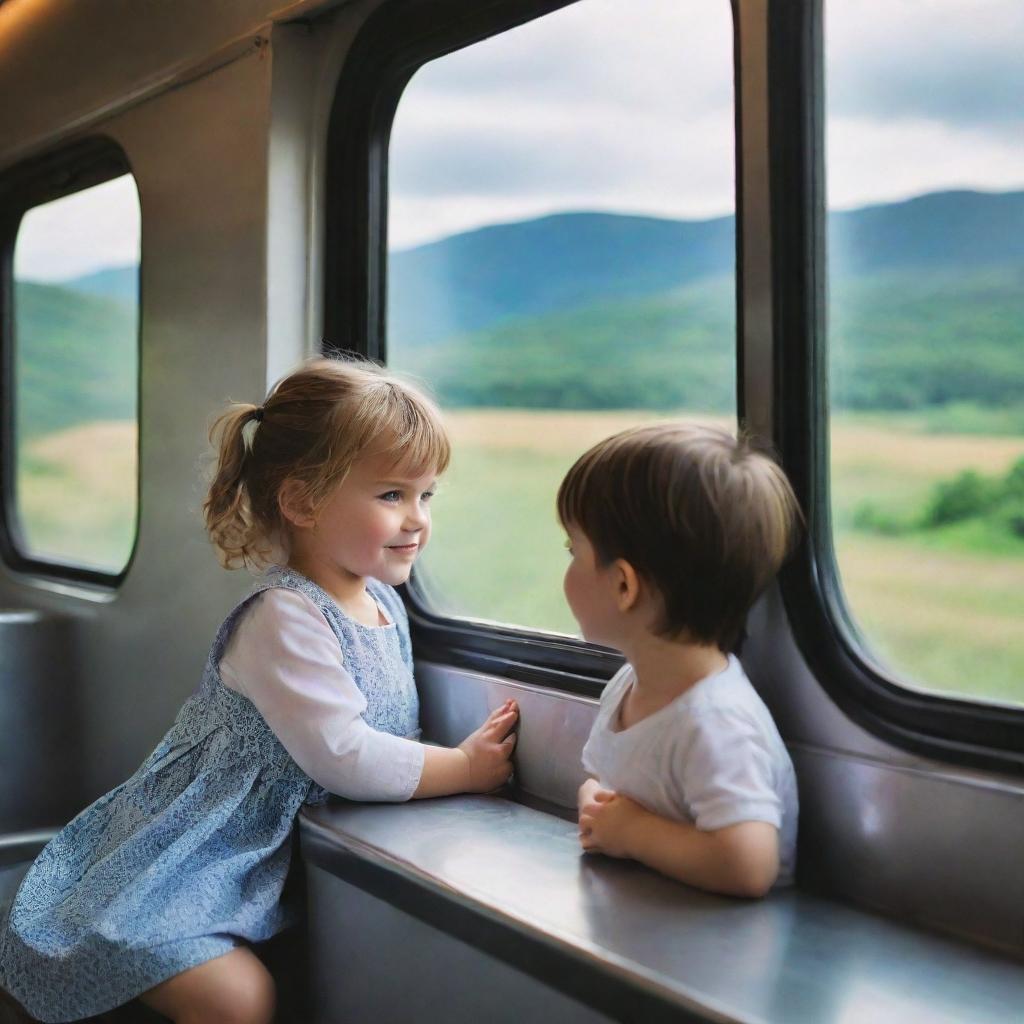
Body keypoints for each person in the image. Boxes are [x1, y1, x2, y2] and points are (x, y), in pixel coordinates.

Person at [0, 357, 518, 1024]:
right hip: (203, 850)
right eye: (391, 496)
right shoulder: (285, 618)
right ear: (301, 501)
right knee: (238, 1000)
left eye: (427, 496)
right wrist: (467, 767)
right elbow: (345, 755)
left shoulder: (386, 604)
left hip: (269, 855)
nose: (416, 519)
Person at [561, 422, 800, 898]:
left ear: (624, 586)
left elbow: (749, 865)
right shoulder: (630, 684)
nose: (565, 569)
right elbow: (602, 784)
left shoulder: (716, 721)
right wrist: (599, 808)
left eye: (573, 550)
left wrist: (631, 833)